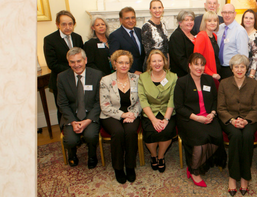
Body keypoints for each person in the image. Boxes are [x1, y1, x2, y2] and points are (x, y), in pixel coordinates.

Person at [174, 53, 225, 187]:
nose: (199, 67)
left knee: (217, 136)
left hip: (208, 116)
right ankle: (194, 170)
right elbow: (179, 107)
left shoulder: (209, 80)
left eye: (202, 65)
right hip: (189, 118)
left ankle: (202, 161)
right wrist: (197, 118)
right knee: (201, 139)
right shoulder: (182, 82)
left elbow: (215, 100)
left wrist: (213, 114)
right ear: (190, 65)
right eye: (196, 64)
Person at [217, 55, 257, 196]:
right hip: (229, 119)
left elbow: (256, 107)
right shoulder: (224, 83)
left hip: (249, 119)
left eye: (242, 66)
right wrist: (232, 120)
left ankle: (244, 177)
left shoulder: (253, 84)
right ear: (232, 68)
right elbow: (221, 108)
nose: (240, 70)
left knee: (247, 135)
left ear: (247, 69)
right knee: (235, 135)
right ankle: (232, 177)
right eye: (236, 67)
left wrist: (246, 120)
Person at [99, 50, 142, 184]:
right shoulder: (105, 80)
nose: (124, 65)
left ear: (130, 65)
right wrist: (122, 115)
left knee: (130, 131)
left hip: (131, 113)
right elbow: (104, 106)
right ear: (114, 64)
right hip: (110, 114)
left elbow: (141, 101)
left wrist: (133, 114)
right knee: (118, 132)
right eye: (120, 62)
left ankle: (130, 166)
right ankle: (118, 168)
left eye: (127, 63)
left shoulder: (136, 79)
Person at [57, 48, 103, 169]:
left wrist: (88, 121)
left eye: (79, 61)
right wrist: (73, 121)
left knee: (91, 136)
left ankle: (92, 156)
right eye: (72, 62)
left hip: (90, 115)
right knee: (70, 140)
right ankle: (72, 155)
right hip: (71, 116)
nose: (76, 65)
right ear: (68, 63)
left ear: (85, 60)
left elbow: (100, 102)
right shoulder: (62, 77)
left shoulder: (97, 75)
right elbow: (62, 104)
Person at [138, 50, 178, 172]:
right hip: (150, 112)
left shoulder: (173, 77)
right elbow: (143, 100)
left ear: (164, 62)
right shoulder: (142, 77)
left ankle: (160, 157)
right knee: (150, 133)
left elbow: (172, 99)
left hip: (168, 111)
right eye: (154, 61)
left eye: (159, 60)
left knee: (166, 131)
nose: (157, 63)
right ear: (149, 63)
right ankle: (153, 155)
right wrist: (154, 120)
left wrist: (166, 119)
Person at [44, 10, 84, 121]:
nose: (68, 27)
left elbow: (82, 58)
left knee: (80, 106)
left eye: (70, 24)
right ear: (57, 24)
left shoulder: (77, 37)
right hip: (61, 81)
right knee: (64, 111)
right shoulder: (50, 40)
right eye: (64, 24)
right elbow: (52, 64)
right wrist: (74, 69)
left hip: (78, 80)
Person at [216, 4, 249, 79]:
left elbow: (243, 55)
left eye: (230, 12)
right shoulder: (219, 28)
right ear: (221, 14)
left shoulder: (240, 31)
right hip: (219, 68)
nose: (227, 15)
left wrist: (239, 71)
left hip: (232, 70)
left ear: (234, 14)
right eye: (224, 12)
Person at [110, 7, 145, 74]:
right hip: (127, 73)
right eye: (127, 18)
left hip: (143, 72)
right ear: (121, 20)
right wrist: (133, 71)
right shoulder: (115, 36)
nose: (131, 20)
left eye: (133, 17)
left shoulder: (139, 31)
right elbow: (115, 58)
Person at [193, 11, 222, 80]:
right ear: (204, 22)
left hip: (216, 73)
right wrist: (211, 74)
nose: (212, 23)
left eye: (215, 21)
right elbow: (197, 59)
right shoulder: (202, 36)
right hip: (207, 75)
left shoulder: (214, 36)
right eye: (209, 21)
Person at [142, 0, 169, 69]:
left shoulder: (163, 24)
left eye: (159, 7)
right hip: (152, 65)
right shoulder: (146, 27)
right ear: (150, 10)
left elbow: (166, 46)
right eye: (154, 8)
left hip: (164, 63)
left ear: (163, 9)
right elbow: (148, 51)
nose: (157, 10)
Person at [169, 10, 197, 77]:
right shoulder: (176, 36)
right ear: (180, 23)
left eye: (191, 19)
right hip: (183, 75)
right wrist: (193, 70)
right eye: (186, 20)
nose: (190, 22)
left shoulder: (194, 33)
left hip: (195, 71)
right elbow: (180, 59)